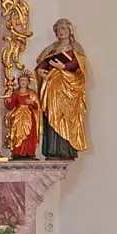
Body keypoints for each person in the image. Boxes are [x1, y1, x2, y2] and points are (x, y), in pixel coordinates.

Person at [36, 18, 88, 160]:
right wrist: (41, 71)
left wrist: (64, 67)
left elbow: (79, 65)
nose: (61, 32)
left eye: (63, 29)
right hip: (52, 88)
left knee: (66, 116)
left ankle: (65, 149)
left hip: (68, 89)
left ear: (70, 30)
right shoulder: (51, 48)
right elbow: (42, 63)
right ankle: (52, 149)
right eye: (58, 30)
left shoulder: (76, 47)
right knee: (52, 114)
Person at [3, 71, 40, 159]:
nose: (23, 82)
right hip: (18, 116)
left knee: (29, 134)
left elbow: (38, 106)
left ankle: (29, 152)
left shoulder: (32, 93)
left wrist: (32, 103)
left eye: (25, 80)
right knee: (17, 133)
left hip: (29, 117)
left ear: (28, 82)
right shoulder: (15, 93)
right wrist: (8, 101)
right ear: (18, 82)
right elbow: (11, 106)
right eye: (21, 80)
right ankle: (17, 151)